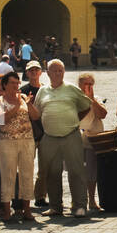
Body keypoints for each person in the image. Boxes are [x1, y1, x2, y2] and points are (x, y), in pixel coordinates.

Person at [35, 59, 92, 218]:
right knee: (52, 173)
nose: (58, 73)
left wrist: (73, 120)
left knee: (76, 172)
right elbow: (37, 112)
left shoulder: (72, 89)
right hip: (50, 137)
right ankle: (55, 206)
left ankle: (80, 206)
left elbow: (86, 106)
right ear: (47, 73)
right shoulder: (42, 91)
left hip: (71, 135)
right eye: (54, 71)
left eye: (61, 70)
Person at [0, 71, 38, 222]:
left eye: (17, 83)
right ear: (5, 85)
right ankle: (7, 211)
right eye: (12, 83)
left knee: (27, 174)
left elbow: (36, 116)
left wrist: (29, 104)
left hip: (27, 140)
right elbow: (1, 120)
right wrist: (16, 106)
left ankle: (26, 209)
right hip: (8, 141)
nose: (16, 86)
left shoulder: (24, 97)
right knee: (8, 175)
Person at [77, 73, 108, 214]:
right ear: (79, 85)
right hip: (78, 140)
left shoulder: (96, 99)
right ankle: (77, 200)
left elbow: (102, 114)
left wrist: (92, 100)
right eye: (85, 84)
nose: (87, 86)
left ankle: (91, 199)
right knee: (77, 172)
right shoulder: (75, 99)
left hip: (93, 141)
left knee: (91, 172)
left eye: (90, 84)